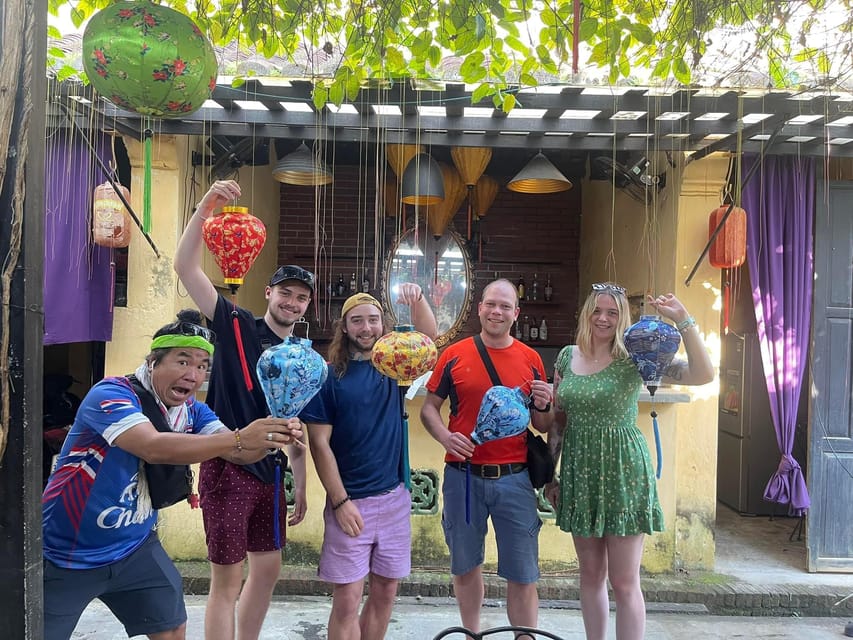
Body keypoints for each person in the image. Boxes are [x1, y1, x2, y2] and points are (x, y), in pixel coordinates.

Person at [41, 310, 302, 640]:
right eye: (183, 361)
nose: (194, 375)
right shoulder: (111, 395)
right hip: (67, 554)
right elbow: (152, 446)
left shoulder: (192, 410)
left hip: (135, 548)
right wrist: (240, 437)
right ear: (153, 362)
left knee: (172, 628)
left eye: (203, 366)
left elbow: (236, 452)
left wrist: (272, 437)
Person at [174, 179, 313, 640]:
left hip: (271, 476)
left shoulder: (301, 359)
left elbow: (295, 426)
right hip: (229, 466)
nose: (291, 302)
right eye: (285, 293)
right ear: (269, 292)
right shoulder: (235, 325)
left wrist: (302, 481)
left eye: (301, 297)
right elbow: (184, 266)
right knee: (227, 581)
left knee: (269, 569)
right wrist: (206, 207)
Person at [543, 284, 714, 640]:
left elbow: (703, 374)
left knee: (624, 581)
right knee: (590, 576)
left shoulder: (636, 355)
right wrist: (550, 475)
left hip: (623, 470)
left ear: (624, 319)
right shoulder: (565, 357)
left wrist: (684, 320)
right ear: (586, 313)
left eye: (613, 312)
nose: (603, 318)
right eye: (597, 310)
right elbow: (559, 420)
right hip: (579, 470)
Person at [420, 278, 553, 637]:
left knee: (523, 573)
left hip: (515, 478)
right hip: (463, 477)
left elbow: (541, 423)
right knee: (465, 566)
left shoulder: (531, 359)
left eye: (505, 306)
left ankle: (524, 636)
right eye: (491, 304)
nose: (497, 311)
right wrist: (447, 437)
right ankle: (471, 632)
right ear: (479, 308)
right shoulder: (454, 354)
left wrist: (543, 403)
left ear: (516, 314)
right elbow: (429, 409)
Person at [301, 289, 437, 640]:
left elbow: (429, 339)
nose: (366, 328)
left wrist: (418, 299)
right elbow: (319, 444)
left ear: (383, 325)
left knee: (385, 592)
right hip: (350, 504)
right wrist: (340, 502)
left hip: (393, 500)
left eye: (373, 320)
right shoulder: (329, 378)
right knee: (347, 599)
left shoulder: (394, 369)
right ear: (344, 327)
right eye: (357, 320)